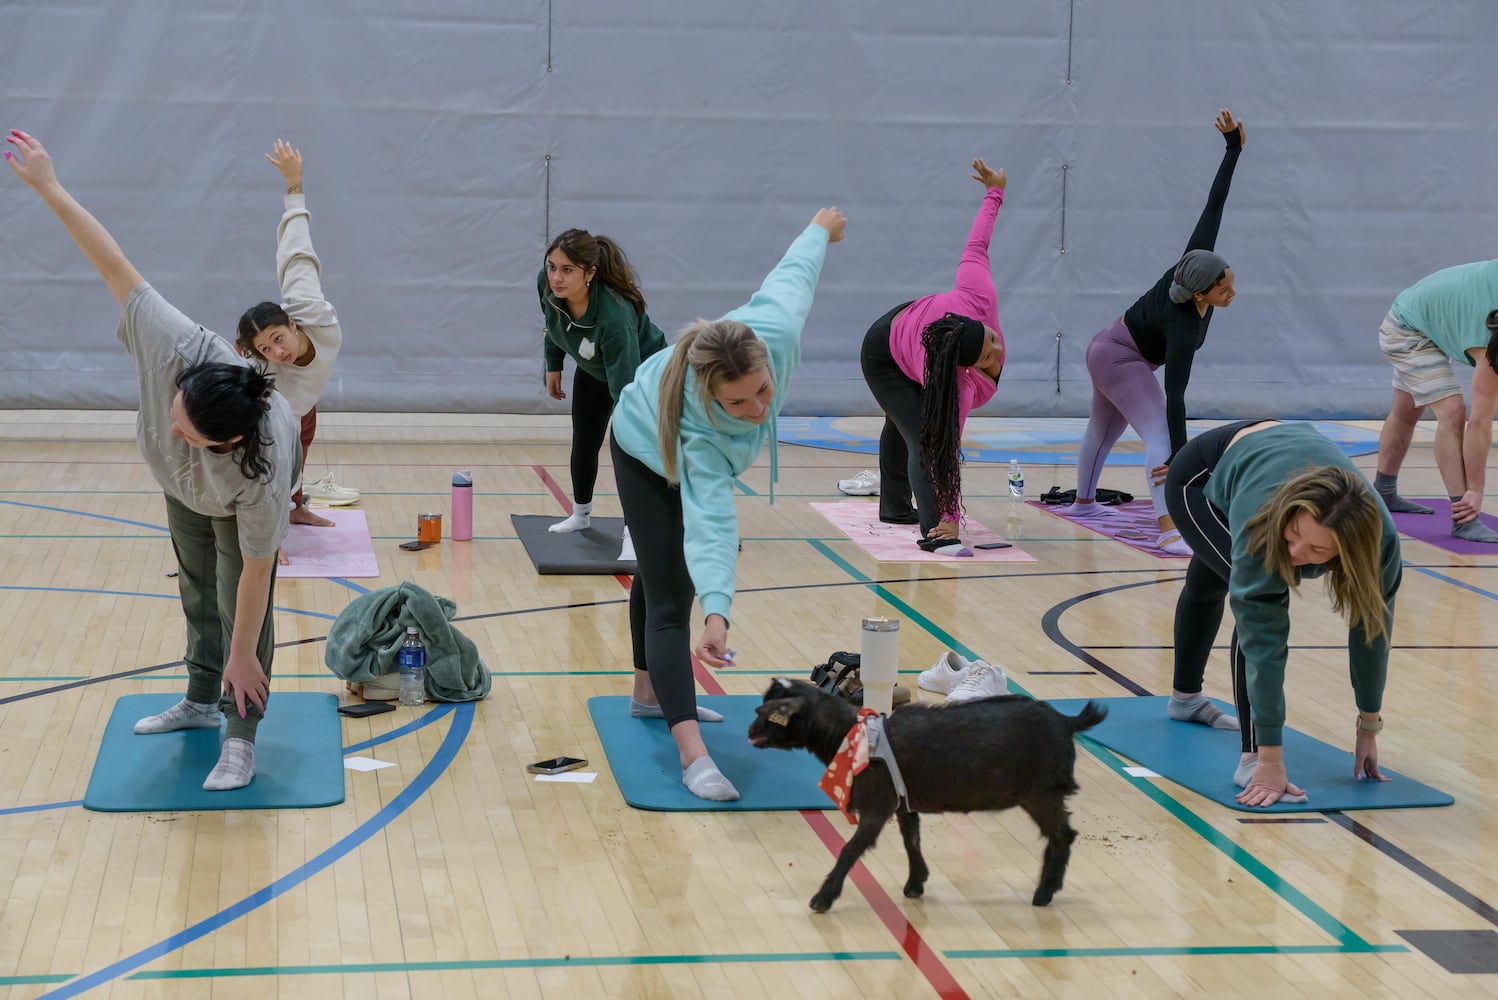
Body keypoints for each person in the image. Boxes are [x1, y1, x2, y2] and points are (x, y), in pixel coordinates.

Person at [7, 130, 297, 791]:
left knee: (235, 606)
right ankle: (199, 701)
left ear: (220, 443)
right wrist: (50, 186)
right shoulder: (176, 344)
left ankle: (240, 736)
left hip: (230, 501)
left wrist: (245, 654)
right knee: (195, 590)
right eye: (174, 411)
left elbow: (256, 575)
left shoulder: (262, 465)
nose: (171, 424)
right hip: (182, 491)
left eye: (184, 430)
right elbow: (112, 262)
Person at [609, 206, 848, 801]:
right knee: (673, 595)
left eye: (762, 391)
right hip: (643, 449)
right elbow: (712, 525)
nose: (759, 410)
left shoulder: (776, 333)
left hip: (679, 444)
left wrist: (820, 229)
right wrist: (718, 613)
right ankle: (693, 757)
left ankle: (648, 694)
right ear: (713, 397)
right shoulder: (699, 436)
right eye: (738, 405)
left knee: (663, 571)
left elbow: (791, 278)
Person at [1164, 420, 1401, 807]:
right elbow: (1263, 641)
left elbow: (1372, 633)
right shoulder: (1265, 515)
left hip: (1268, 461)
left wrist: (1368, 725)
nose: (1295, 555)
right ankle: (1250, 752)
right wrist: (1270, 759)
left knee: (1217, 579)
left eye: (1316, 552)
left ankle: (1185, 702)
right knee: (1251, 598)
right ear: (1290, 515)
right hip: (1199, 477)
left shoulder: (1381, 545)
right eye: (1294, 536)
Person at [1065, 109, 1245, 555]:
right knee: (1159, 438)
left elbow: (1214, 205)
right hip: (1120, 357)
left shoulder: (1195, 261)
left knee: (1102, 429)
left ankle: (1084, 504)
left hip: (1107, 347)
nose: (1233, 293)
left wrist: (1233, 148)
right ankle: (1170, 530)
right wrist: (1180, 460)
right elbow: (1177, 396)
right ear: (1201, 293)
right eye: (1225, 289)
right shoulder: (1182, 325)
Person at [859, 158, 1007, 556]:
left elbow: (978, 241)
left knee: (904, 419)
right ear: (963, 367)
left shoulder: (978, 293)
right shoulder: (952, 388)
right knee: (921, 433)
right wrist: (949, 517)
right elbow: (942, 453)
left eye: (993, 339)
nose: (998, 350)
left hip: (917, 323)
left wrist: (995, 191)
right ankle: (933, 531)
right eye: (987, 353)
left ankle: (893, 508)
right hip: (884, 353)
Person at [235, 139, 354, 563]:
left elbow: (297, 250)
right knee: (275, 462)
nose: (276, 352)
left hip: (305, 403)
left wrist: (294, 185)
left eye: (277, 339)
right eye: (265, 349)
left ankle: (298, 508)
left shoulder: (309, 308)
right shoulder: (258, 369)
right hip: (274, 411)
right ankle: (268, 531)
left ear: (291, 323)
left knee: (304, 443)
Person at [539, 229, 666, 556]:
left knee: (631, 450)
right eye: (553, 266)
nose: (557, 277)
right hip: (596, 368)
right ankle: (580, 516)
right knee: (584, 441)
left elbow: (627, 384)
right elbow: (552, 322)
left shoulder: (614, 315)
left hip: (643, 375)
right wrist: (553, 364)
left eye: (567, 270)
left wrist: (631, 426)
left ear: (590, 273)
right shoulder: (547, 285)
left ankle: (634, 533)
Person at [1372, 262, 1498, 543]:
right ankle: (1464, 518)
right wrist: (1475, 489)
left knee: (1407, 411)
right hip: (1407, 327)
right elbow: (1479, 423)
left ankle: (1384, 492)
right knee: (1453, 412)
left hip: (1428, 314)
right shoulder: (1490, 336)